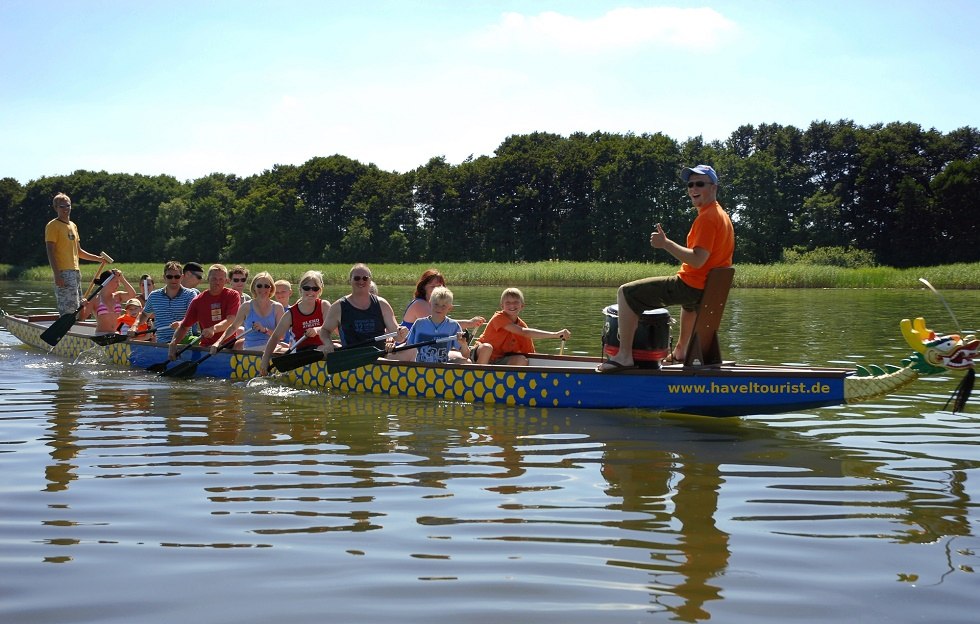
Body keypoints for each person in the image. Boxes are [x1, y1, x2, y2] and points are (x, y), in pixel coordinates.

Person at [596, 164, 735, 372]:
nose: (693, 188)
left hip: (692, 286)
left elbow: (698, 260)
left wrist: (665, 243)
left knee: (626, 293)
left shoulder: (707, 218)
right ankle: (681, 351)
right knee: (688, 307)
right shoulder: (721, 215)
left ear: (714, 188)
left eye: (700, 184)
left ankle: (624, 356)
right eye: (690, 184)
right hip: (705, 290)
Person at [319, 264, 408, 354]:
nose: (361, 281)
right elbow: (324, 330)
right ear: (350, 280)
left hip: (379, 357)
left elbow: (398, 337)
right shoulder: (338, 307)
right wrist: (328, 344)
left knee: (411, 351)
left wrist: (402, 332)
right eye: (357, 278)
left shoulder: (382, 304)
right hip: (351, 357)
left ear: (370, 281)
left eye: (365, 278)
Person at [44, 192, 108, 316]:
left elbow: (78, 252)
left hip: (75, 271)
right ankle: (65, 331)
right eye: (62, 206)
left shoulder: (73, 226)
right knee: (68, 308)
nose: (65, 209)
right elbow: (50, 251)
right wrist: (57, 275)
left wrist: (98, 259)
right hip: (63, 272)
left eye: (67, 205)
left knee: (79, 307)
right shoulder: (53, 225)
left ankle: (77, 328)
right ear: (56, 208)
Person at [259, 270, 332, 375]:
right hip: (301, 352)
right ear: (300, 289)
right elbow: (275, 337)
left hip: (322, 347)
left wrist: (316, 330)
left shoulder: (324, 305)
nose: (311, 292)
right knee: (329, 349)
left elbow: (328, 328)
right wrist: (265, 360)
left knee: (337, 347)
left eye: (315, 289)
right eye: (307, 288)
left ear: (320, 291)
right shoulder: (291, 313)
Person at [472, 288, 570, 366]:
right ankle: (477, 376)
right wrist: (555, 334)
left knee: (522, 360)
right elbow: (524, 332)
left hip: (500, 359)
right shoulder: (498, 318)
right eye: (508, 303)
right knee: (487, 348)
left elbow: (531, 353)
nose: (512, 305)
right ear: (502, 306)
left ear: (522, 306)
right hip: (480, 354)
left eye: (516, 302)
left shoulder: (522, 325)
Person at [168, 264, 240, 359]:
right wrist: (173, 343)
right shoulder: (198, 301)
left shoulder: (233, 295)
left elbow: (230, 320)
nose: (217, 282)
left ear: (226, 281)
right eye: (214, 279)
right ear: (208, 279)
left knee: (242, 342)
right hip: (207, 348)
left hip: (228, 344)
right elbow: (184, 326)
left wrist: (213, 329)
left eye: (221, 279)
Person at [213, 271, 285, 352]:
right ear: (254, 287)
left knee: (291, 352)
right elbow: (233, 327)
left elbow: (281, 336)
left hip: (273, 348)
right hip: (252, 349)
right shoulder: (246, 306)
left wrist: (264, 330)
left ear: (271, 288)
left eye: (266, 286)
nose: (263, 289)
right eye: (259, 286)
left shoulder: (277, 307)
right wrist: (218, 342)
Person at [401, 268, 485, 331]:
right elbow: (439, 324)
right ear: (423, 287)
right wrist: (469, 323)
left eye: (439, 286)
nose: (436, 289)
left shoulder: (436, 305)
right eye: (432, 286)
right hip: (407, 347)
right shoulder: (419, 304)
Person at [404, 286, 471, 363]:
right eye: (436, 304)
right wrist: (392, 348)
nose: (439, 308)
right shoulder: (419, 324)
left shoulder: (453, 326)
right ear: (430, 303)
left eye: (443, 306)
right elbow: (407, 346)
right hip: (420, 368)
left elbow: (466, 355)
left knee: (467, 362)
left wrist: (463, 344)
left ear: (450, 308)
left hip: (442, 369)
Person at [137, 260, 198, 344]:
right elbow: (144, 314)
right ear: (164, 277)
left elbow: (194, 316)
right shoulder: (154, 295)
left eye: (177, 276)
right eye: (169, 276)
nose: (173, 279)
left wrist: (182, 323)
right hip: (162, 343)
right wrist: (134, 326)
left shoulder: (190, 294)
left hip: (183, 341)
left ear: (182, 277)